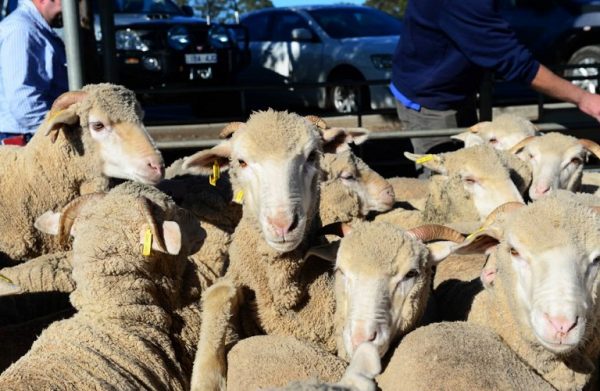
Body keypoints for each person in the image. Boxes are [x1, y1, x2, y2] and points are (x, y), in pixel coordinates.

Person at [391, 0, 600, 164]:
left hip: (458, 88)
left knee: (473, 167)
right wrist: (583, 98)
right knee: (447, 184)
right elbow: (514, 61)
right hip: (429, 99)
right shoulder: (462, 3)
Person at [0, 0, 67, 145]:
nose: (68, 10)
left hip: (32, 135)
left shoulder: (33, 28)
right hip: (25, 139)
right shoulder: (21, 30)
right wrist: (59, 133)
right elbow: (24, 101)